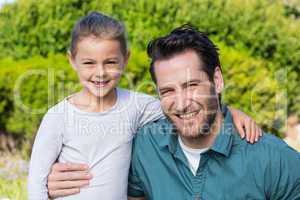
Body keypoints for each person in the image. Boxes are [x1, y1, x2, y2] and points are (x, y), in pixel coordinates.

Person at [32, 13, 261, 199]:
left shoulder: (135, 106)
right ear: (72, 60)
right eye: (89, 63)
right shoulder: (58, 117)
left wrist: (230, 111)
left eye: (111, 62)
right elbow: (36, 183)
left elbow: (185, 108)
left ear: (126, 59)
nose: (100, 72)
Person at [126, 25, 300, 200]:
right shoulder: (145, 147)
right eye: (168, 91)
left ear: (217, 81)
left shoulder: (274, 160)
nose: (181, 104)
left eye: (191, 85)